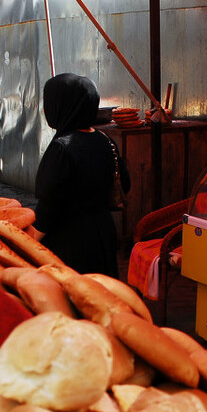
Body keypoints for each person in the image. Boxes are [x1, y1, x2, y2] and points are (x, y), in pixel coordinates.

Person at [33, 73, 128, 278]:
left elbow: (49, 206)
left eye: (48, 102)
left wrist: (31, 238)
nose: (44, 109)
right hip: (103, 234)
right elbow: (125, 184)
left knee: (74, 299)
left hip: (70, 242)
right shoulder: (106, 140)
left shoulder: (62, 147)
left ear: (62, 106)